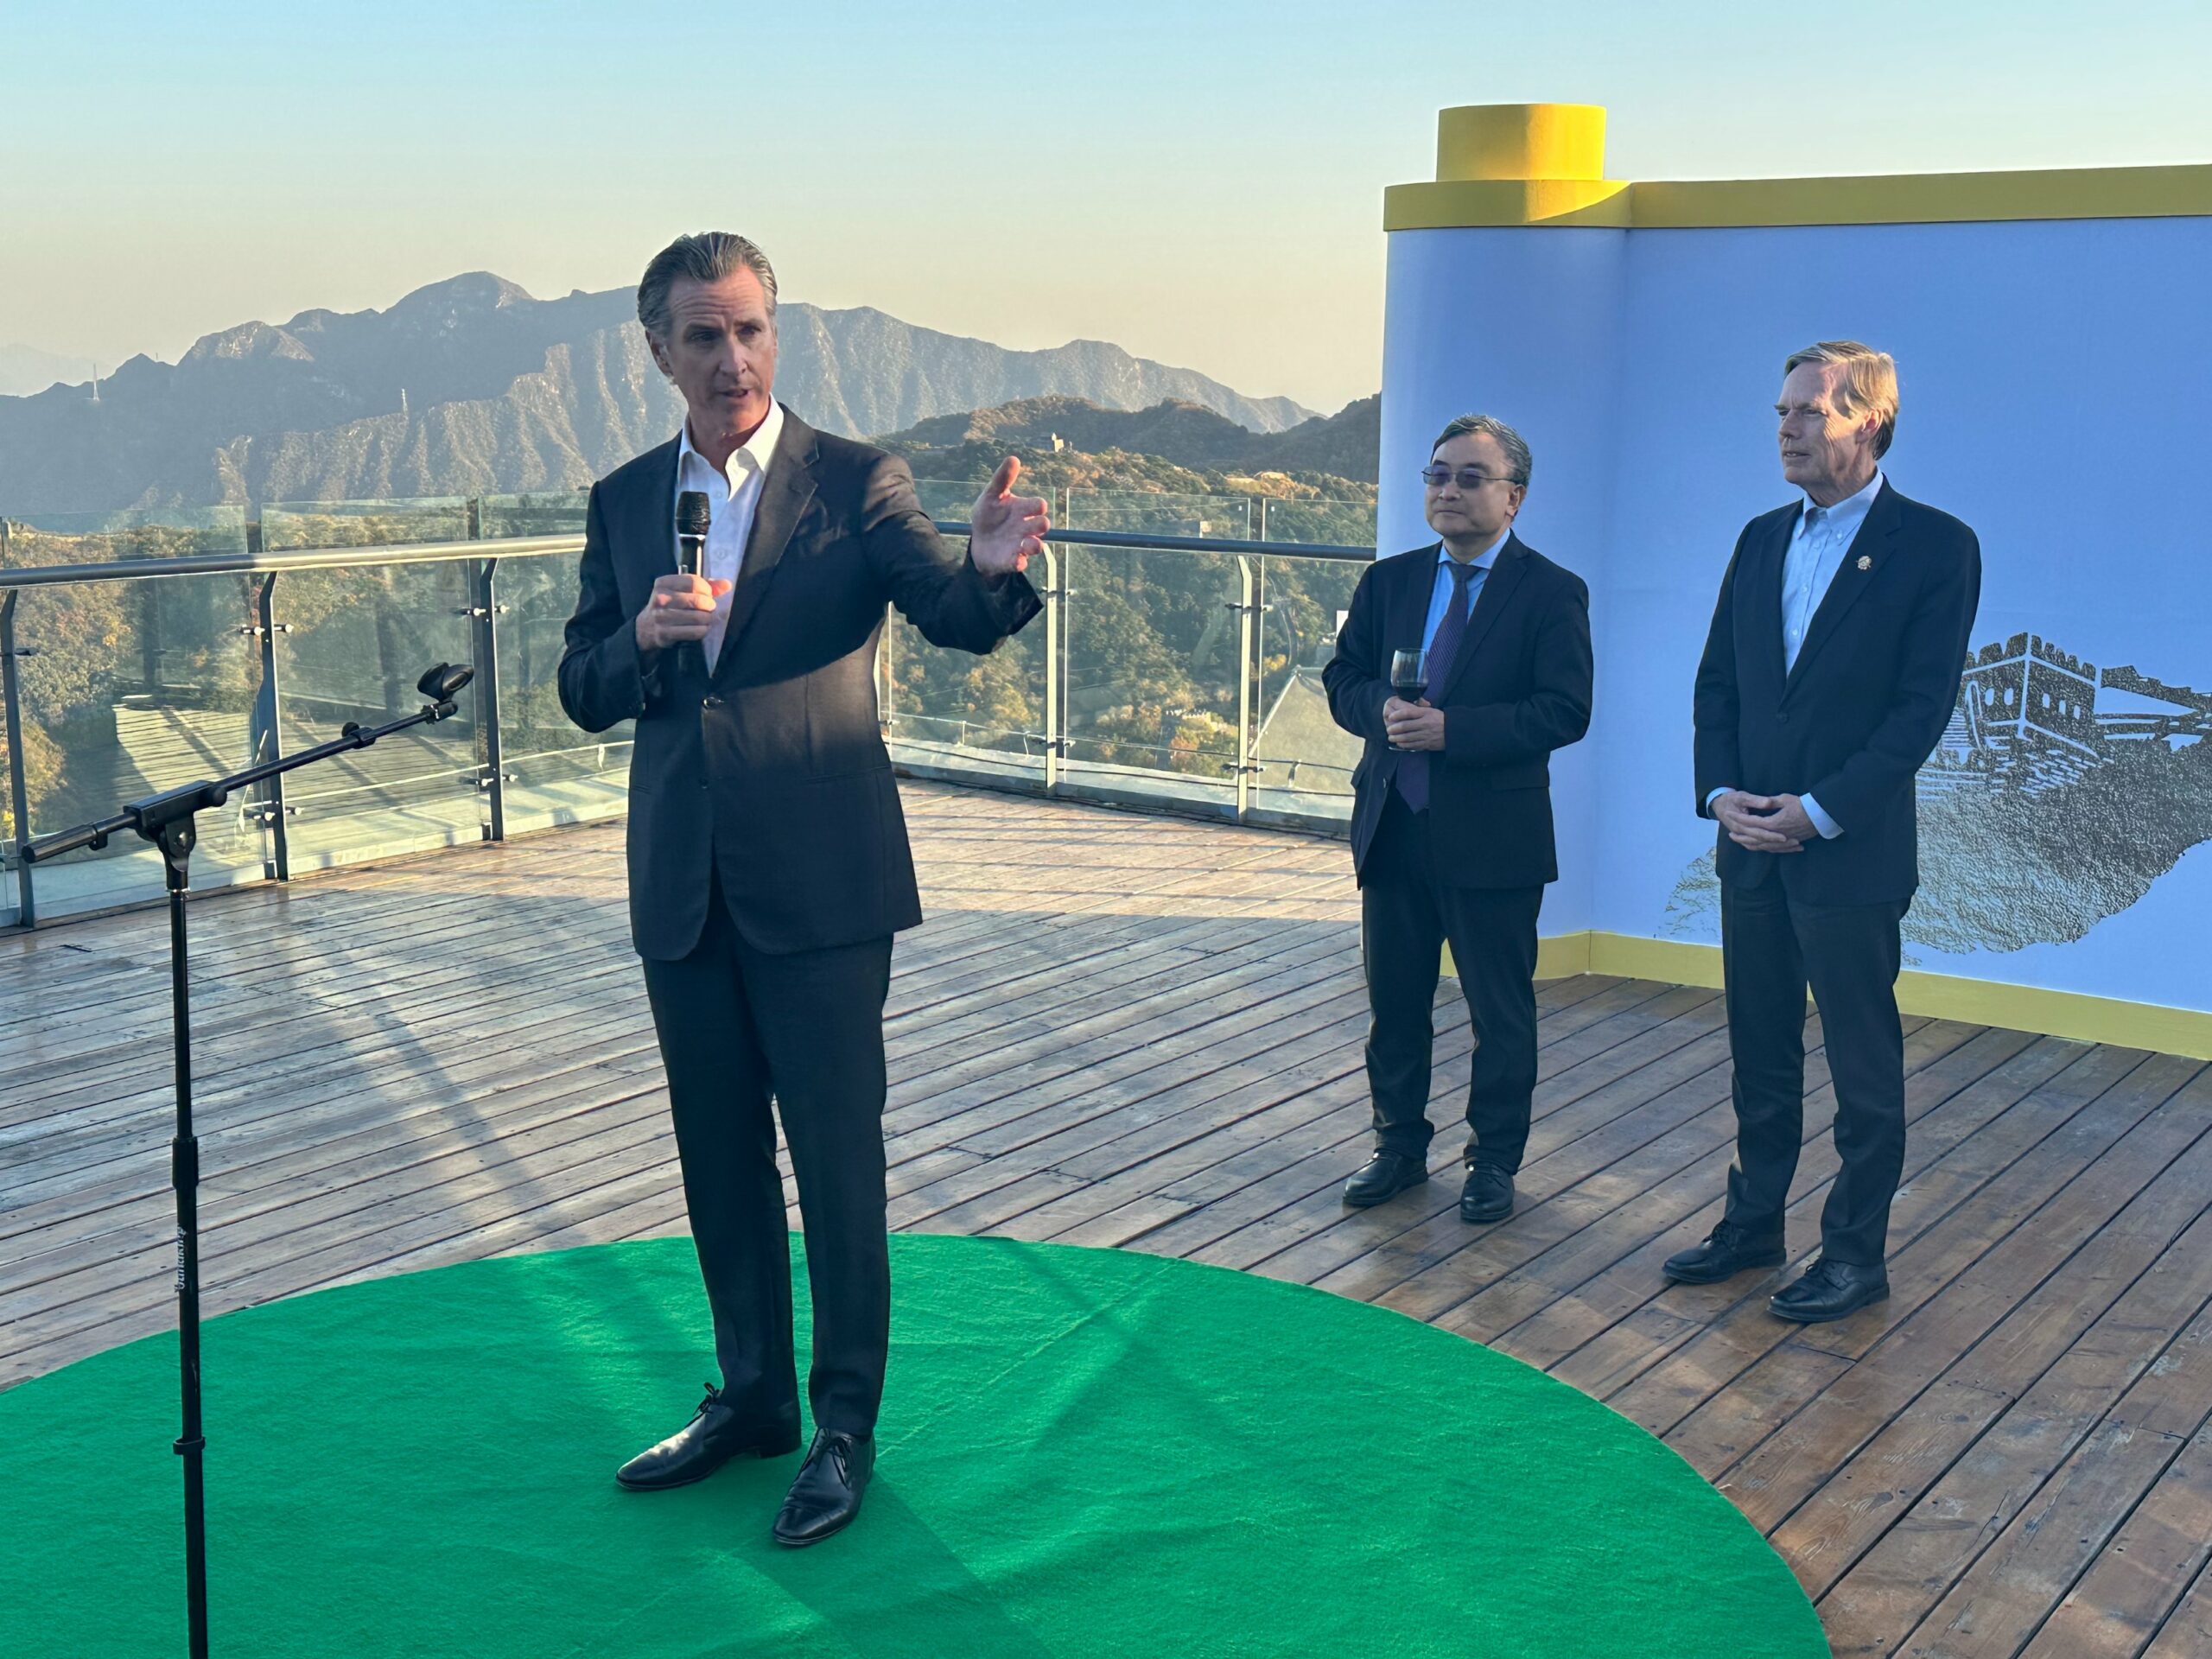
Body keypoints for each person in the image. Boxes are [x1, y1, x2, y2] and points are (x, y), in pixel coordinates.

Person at [557, 232, 1047, 1544]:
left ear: (780, 334)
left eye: (753, 330)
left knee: (835, 1164)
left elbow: (942, 605)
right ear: (656, 350)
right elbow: (578, 684)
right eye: (704, 335)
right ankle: (753, 1398)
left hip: (823, 885)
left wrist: (994, 573)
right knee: (718, 1159)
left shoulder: (856, 481)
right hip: (682, 882)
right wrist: (637, 640)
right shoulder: (619, 498)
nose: (733, 358)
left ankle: (843, 1426)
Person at [1669, 340, 1980, 1323]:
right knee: (1758, 1052)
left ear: (1871, 420)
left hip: (1848, 853)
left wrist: (1818, 811)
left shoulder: (1937, 545)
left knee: (1861, 1066)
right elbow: (1718, 682)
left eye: (1809, 412)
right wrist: (1720, 794)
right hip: (1748, 843)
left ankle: (1854, 1255)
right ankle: (1753, 1223)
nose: (1787, 430)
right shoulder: (1760, 538)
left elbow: (1917, 714)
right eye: (1781, 413)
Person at [1322, 414, 1593, 1225]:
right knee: (1395, 1005)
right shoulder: (1391, 581)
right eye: (1438, 474)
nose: (1448, 489)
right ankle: (1398, 1147)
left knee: (1499, 1012)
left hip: (1492, 839)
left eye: (1470, 477)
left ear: (1514, 498)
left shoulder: (1551, 591)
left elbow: (1564, 711)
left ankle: (1493, 1161)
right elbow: (1342, 677)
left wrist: (1454, 731)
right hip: (1394, 826)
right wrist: (1381, 712)